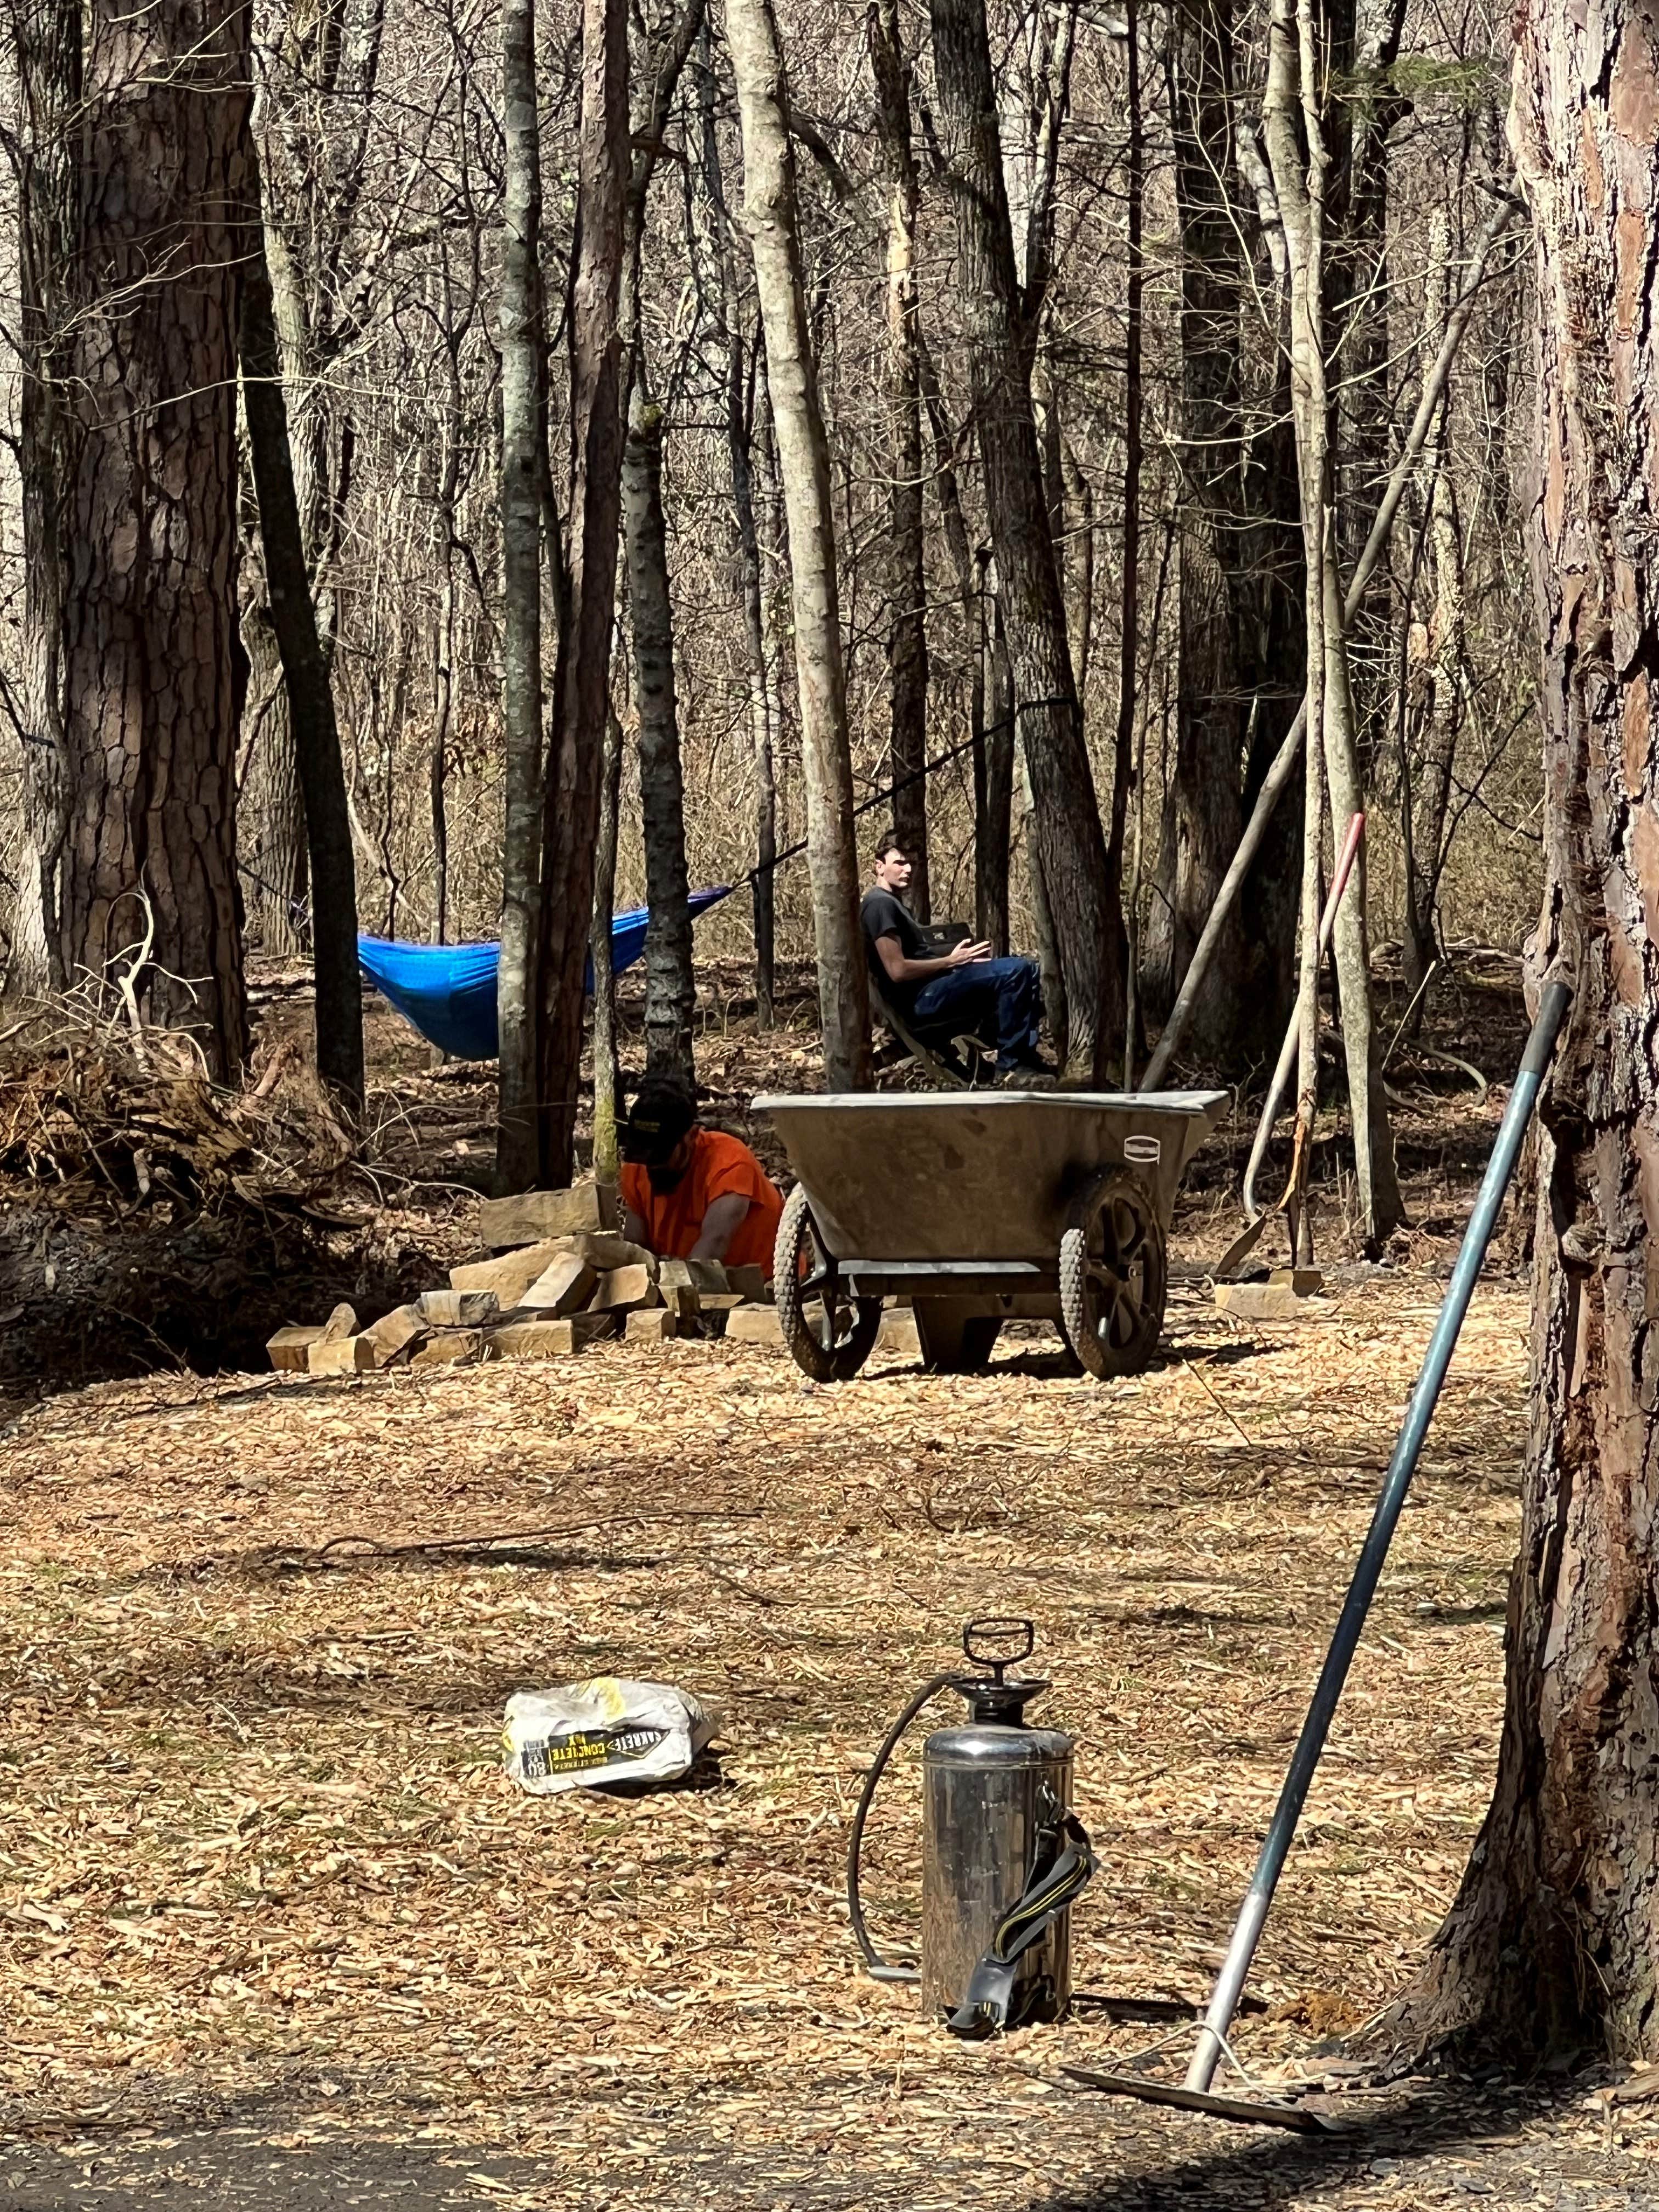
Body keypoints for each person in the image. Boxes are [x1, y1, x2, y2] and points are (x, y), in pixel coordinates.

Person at [860, 838, 1051, 1078]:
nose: (908, 869)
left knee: (1029, 971)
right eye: (899, 863)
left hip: (935, 987)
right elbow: (897, 971)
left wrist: (963, 963)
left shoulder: (891, 904)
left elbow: (916, 956)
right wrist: (951, 961)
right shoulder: (879, 905)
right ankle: (1012, 1067)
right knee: (1017, 970)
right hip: (921, 1000)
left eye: (911, 864)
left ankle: (1023, 1058)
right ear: (879, 866)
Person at [620, 1072, 785, 1271]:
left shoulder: (729, 1163)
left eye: (661, 1155)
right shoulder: (637, 1168)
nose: (653, 1166)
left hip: (763, 1283)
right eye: (645, 1155)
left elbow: (713, 1247)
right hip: (680, 1275)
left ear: (691, 1136)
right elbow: (635, 1249)